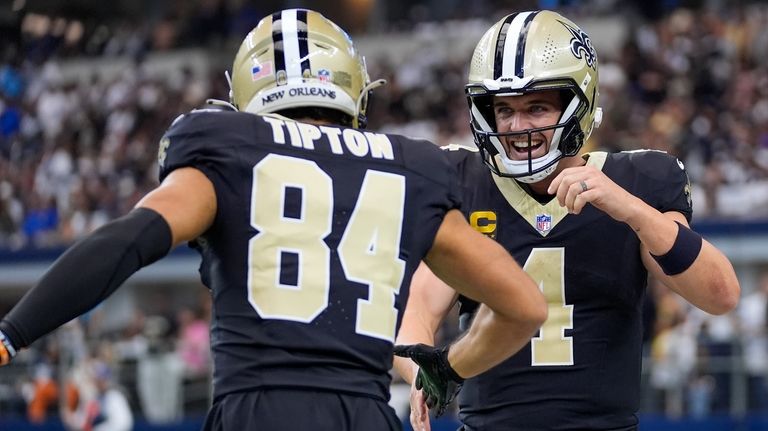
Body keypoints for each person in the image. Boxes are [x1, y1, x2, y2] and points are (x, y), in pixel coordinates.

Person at [0, 9, 547, 431]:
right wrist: (448, 370)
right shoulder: (410, 168)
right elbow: (524, 306)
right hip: (365, 413)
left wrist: (12, 333)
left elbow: (130, 241)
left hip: (258, 409)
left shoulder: (229, 148)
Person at [393, 9, 740, 431]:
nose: (517, 128)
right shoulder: (465, 184)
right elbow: (416, 311)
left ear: (581, 104)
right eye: (504, 110)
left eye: (536, 107)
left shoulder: (638, 180)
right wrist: (421, 375)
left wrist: (629, 209)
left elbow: (720, 294)